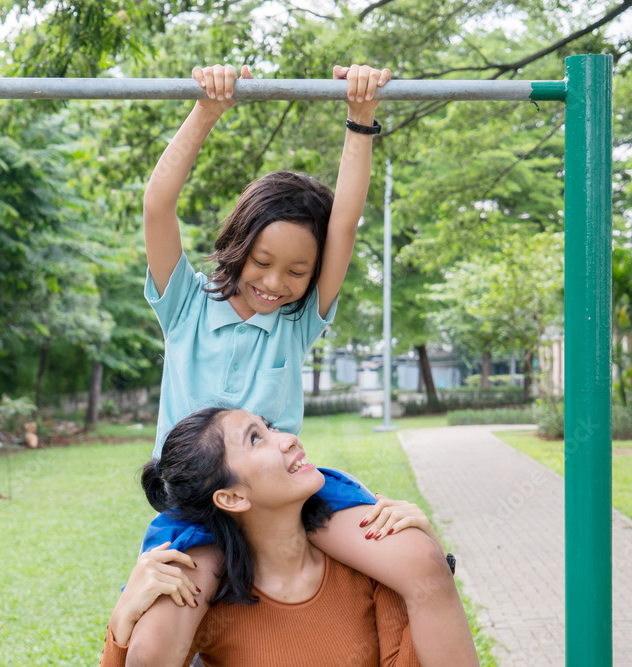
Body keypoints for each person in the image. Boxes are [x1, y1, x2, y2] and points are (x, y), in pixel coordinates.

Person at [130, 62, 477, 666]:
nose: (275, 283)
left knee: (421, 562)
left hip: (286, 495)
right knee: (157, 635)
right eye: (262, 262)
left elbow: (344, 223)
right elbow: (158, 205)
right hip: (202, 504)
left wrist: (361, 120)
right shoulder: (184, 306)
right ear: (238, 244)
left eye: (297, 272)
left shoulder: (296, 322)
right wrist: (207, 109)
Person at [102, 408, 478, 666]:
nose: (288, 439)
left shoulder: (368, 567)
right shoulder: (208, 604)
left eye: (270, 427)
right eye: (256, 439)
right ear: (232, 498)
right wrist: (121, 624)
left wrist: (436, 560)